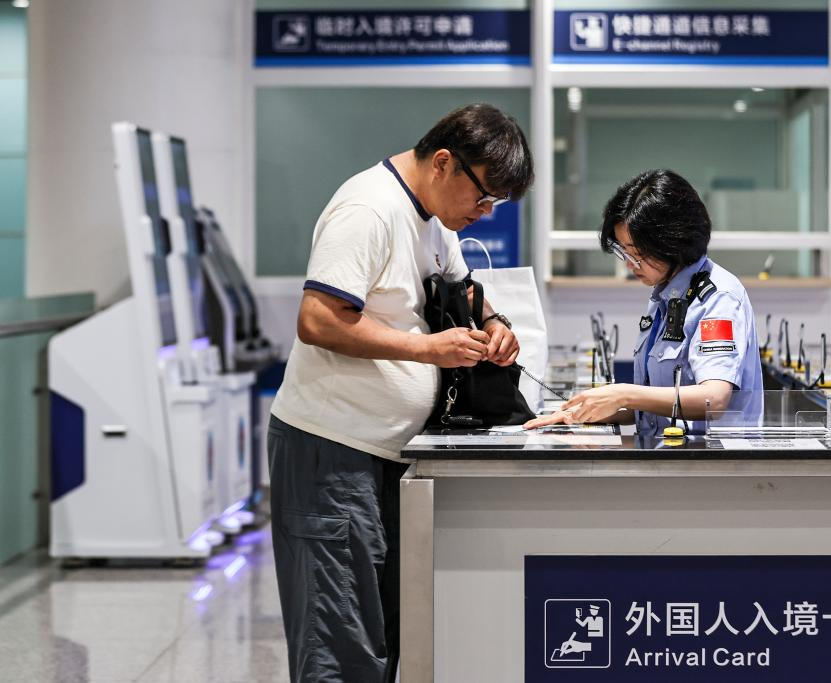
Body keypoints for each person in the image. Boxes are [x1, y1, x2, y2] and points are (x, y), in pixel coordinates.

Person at [268, 103, 533, 682]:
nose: (485, 213)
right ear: (444, 163)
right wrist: (427, 349)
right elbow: (318, 320)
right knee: (339, 642)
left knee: (382, 636)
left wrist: (494, 323)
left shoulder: (434, 220)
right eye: (484, 197)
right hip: (332, 451)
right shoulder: (368, 210)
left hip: (387, 452)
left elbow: (463, 289)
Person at [525, 169, 762, 437]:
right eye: (624, 252)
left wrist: (624, 394)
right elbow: (655, 406)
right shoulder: (666, 295)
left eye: (637, 254)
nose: (630, 265)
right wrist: (583, 413)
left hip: (708, 459)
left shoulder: (717, 298)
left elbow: (714, 399)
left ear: (673, 243)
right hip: (665, 453)